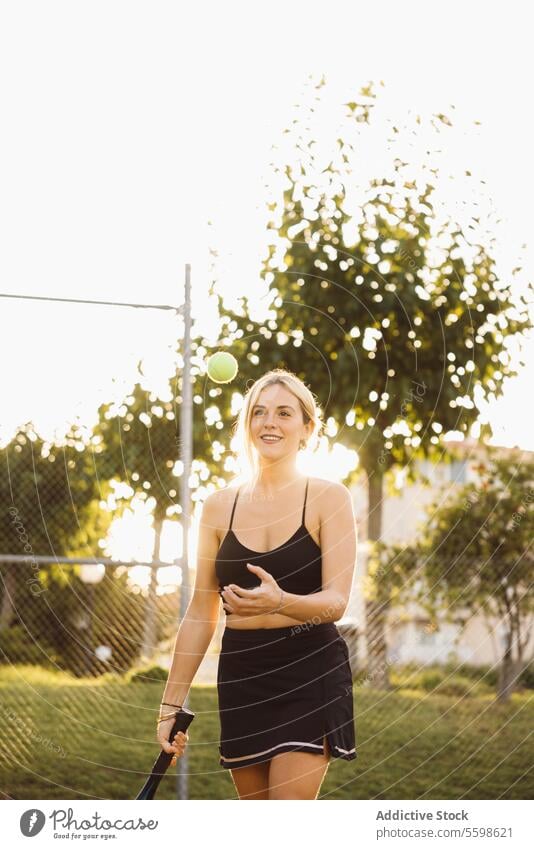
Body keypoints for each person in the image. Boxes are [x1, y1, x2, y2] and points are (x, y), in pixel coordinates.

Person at [157, 368, 357, 799]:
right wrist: (170, 706)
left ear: (307, 429)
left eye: (285, 413)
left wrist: (279, 601)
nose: (270, 422)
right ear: (247, 426)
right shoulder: (217, 507)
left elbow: (336, 602)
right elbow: (200, 613)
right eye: (259, 413)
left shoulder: (328, 497)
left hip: (309, 668)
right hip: (243, 673)